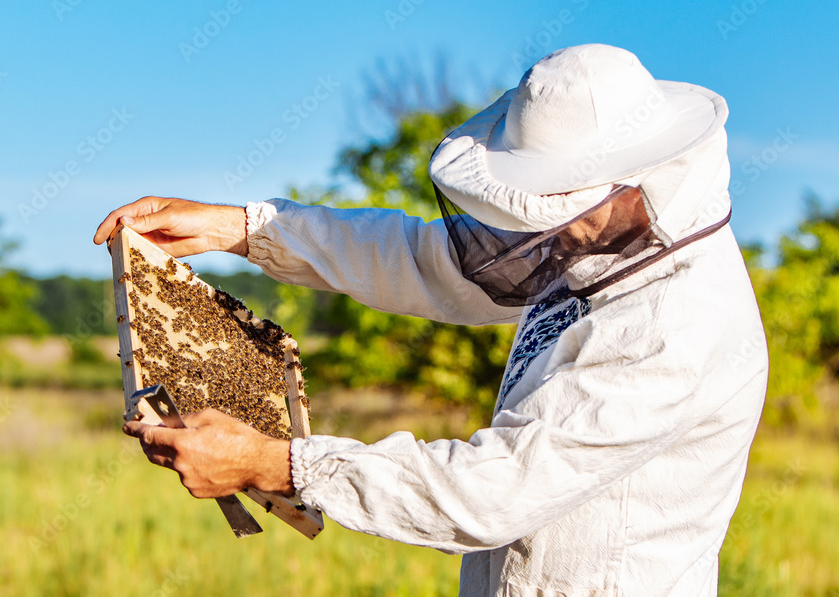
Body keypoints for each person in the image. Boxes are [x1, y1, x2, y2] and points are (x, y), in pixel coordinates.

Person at [93, 44, 768, 596]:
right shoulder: (601, 237)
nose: (522, 238)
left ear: (625, 182)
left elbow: (493, 489)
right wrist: (244, 228)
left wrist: (274, 462)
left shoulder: (674, 324)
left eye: (541, 216)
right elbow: (429, 260)